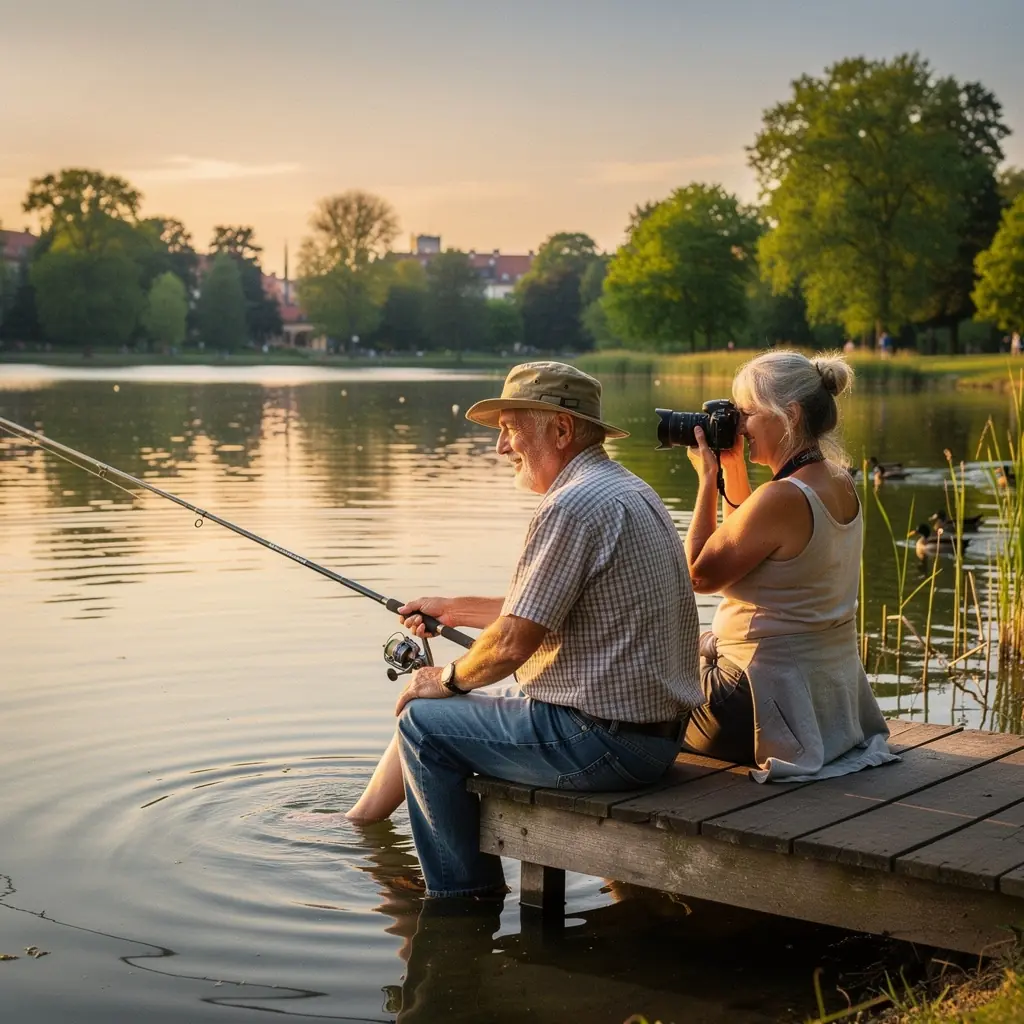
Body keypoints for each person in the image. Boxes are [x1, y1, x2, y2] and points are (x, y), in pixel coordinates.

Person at [346, 361, 702, 898]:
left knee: (423, 723)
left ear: (560, 429)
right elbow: (539, 608)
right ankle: (359, 821)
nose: (500, 447)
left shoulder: (569, 506)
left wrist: (447, 678)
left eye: (510, 429)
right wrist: (453, 609)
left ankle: (460, 899)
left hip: (603, 745)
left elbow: (514, 641)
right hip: (654, 739)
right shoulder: (626, 489)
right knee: (437, 706)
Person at [682, 349, 897, 781]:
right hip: (820, 704)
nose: (738, 426)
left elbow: (700, 575)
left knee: (640, 678)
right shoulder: (838, 480)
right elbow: (745, 547)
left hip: (749, 707)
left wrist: (708, 480)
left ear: (790, 415)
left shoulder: (781, 496)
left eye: (747, 414)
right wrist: (733, 469)